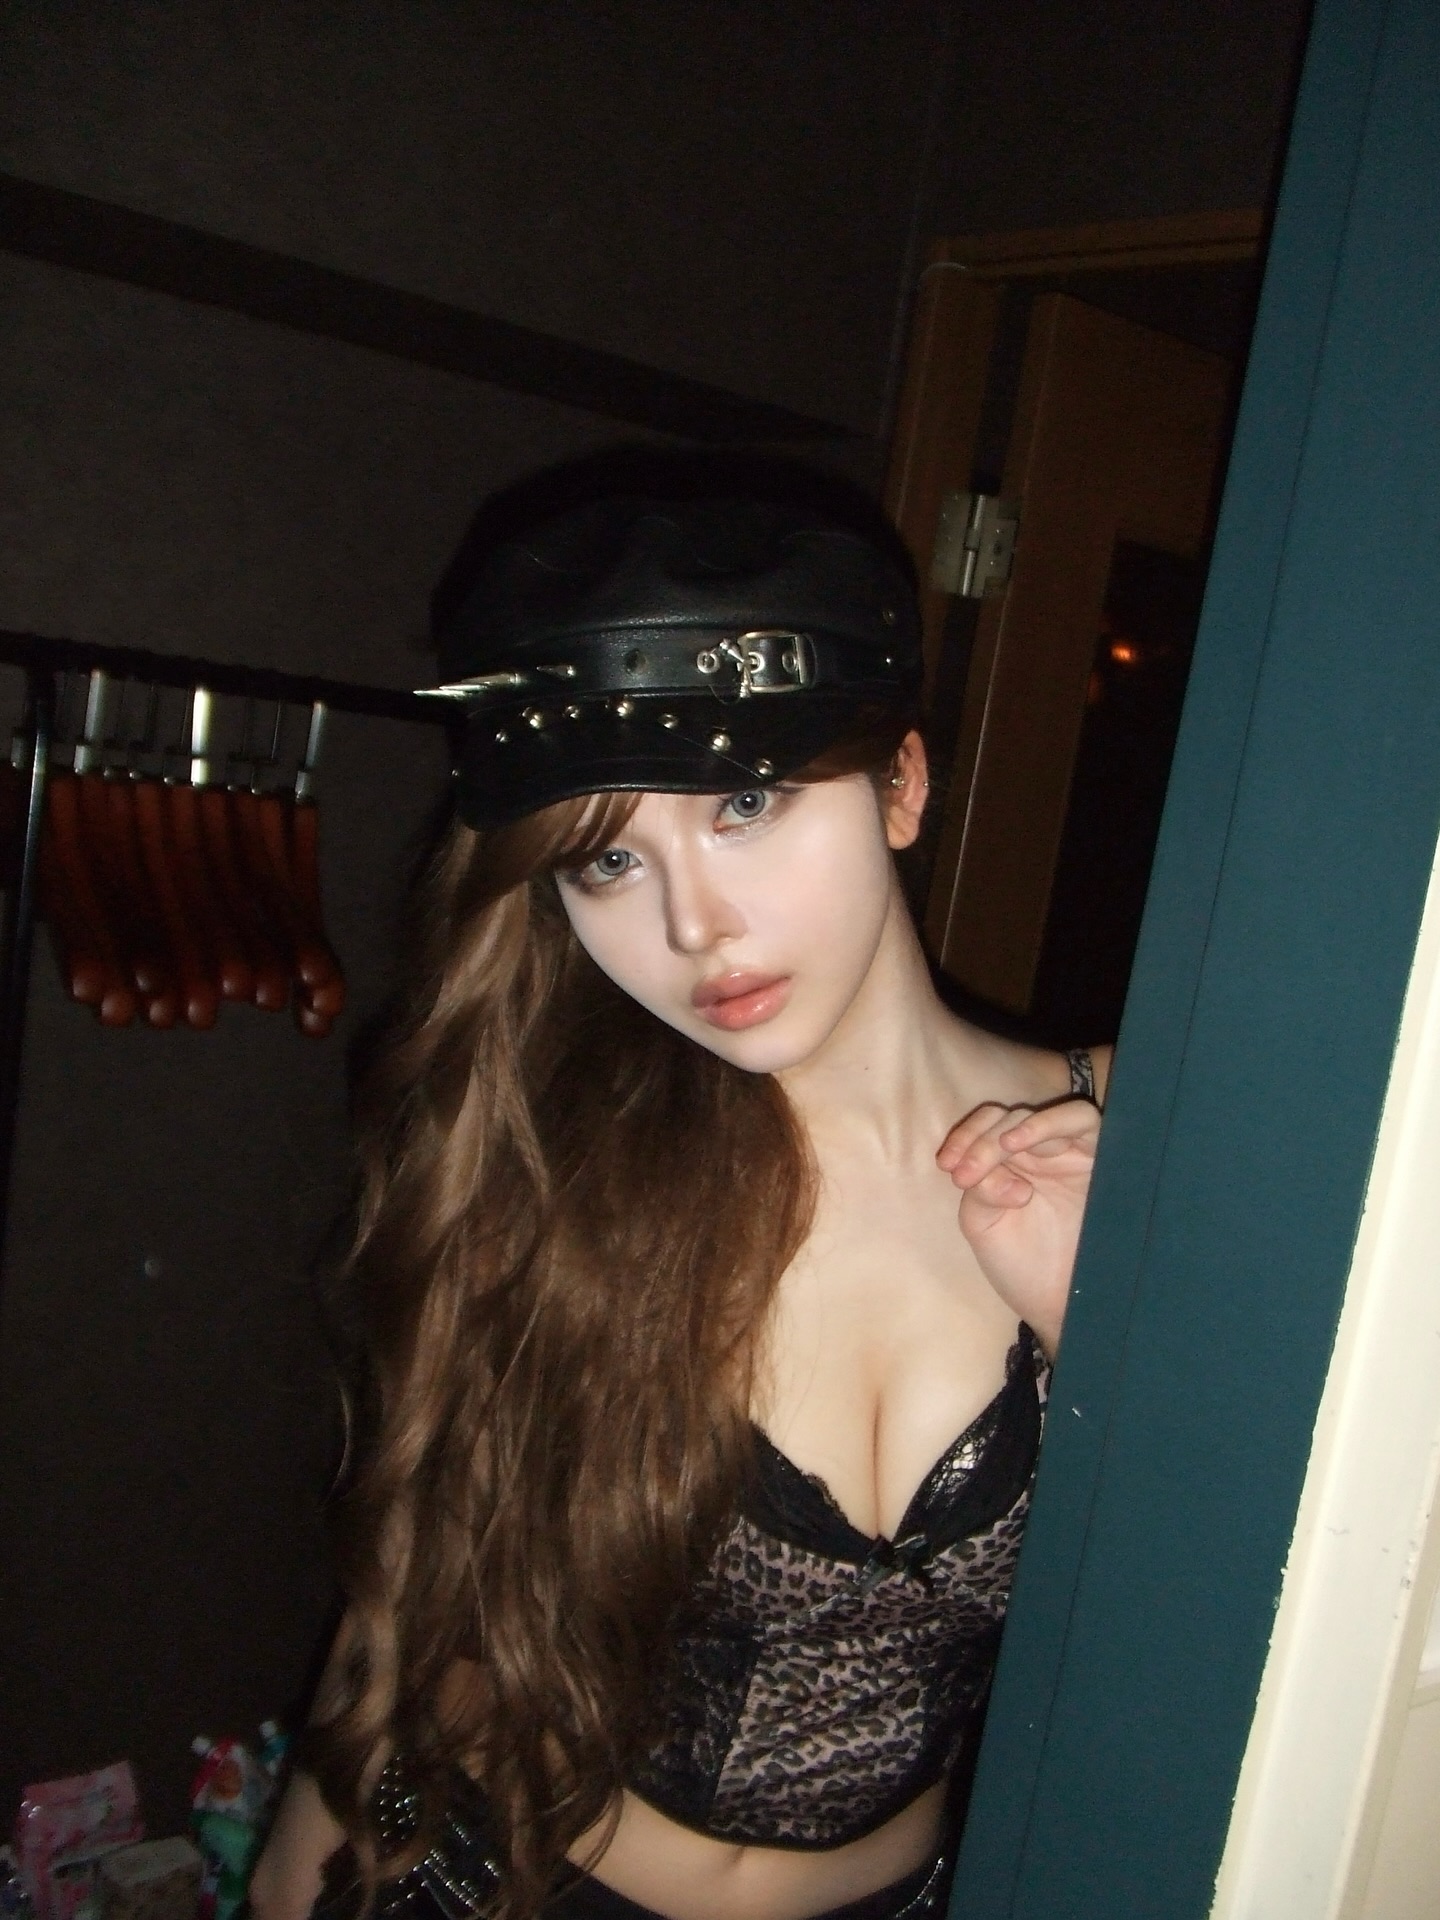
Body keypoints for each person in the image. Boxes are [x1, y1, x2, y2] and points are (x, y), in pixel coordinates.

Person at [250, 456, 1108, 1920]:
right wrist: (298, 1877)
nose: (696, 925)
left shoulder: (1147, 1148)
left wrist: (1108, 1335)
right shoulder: (562, 1166)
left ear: (900, 784)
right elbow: (420, 1590)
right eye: (605, 864)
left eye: (746, 803)